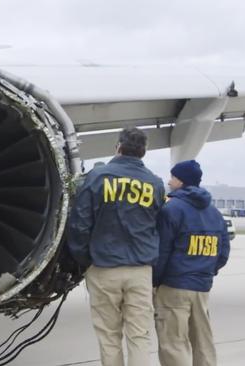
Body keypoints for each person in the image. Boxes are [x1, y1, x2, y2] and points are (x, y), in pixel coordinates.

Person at [67, 127, 165, 366]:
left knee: (109, 337)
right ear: (144, 151)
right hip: (140, 269)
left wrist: (84, 260)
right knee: (139, 335)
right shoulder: (155, 183)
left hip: (103, 267)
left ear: (118, 147)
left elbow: (79, 224)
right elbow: (159, 224)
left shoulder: (98, 178)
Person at [152, 160, 230, 366]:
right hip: (202, 287)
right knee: (203, 343)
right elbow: (223, 254)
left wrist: (156, 281)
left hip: (174, 286)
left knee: (173, 344)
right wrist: (206, 272)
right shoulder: (214, 213)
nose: (169, 182)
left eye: (172, 177)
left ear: (180, 180)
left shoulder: (172, 209)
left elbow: (162, 251)